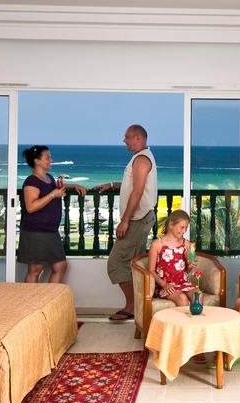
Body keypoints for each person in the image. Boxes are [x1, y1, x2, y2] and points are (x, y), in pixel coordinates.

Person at [94, 124, 158, 321]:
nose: (124, 140)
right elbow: (134, 186)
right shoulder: (141, 157)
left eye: (127, 137)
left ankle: (132, 306)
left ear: (138, 138)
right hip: (140, 218)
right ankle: (140, 306)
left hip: (137, 220)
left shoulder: (141, 159)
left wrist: (124, 221)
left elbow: (137, 192)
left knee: (116, 262)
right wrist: (113, 185)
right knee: (135, 263)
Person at [17, 145, 85, 283]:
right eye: (47, 158)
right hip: (35, 230)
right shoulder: (31, 181)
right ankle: (31, 297)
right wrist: (53, 195)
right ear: (37, 161)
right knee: (35, 269)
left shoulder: (48, 177)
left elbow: (53, 189)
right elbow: (31, 207)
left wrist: (73, 186)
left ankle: (50, 296)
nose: (51, 160)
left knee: (60, 266)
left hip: (50, 231)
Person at [149, 210, 196, 308]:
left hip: (184, 283)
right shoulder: (157, 244)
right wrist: (164, 285)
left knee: (198, 296)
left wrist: (190, 264)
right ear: (171, 225)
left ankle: (197, 318)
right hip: (165, 286)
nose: (184, 231)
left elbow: (187, 270)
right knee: (182, 298)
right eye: (182, 227)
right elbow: (151, 271)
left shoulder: (187, 244)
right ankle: (182, 319)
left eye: (186, 228)